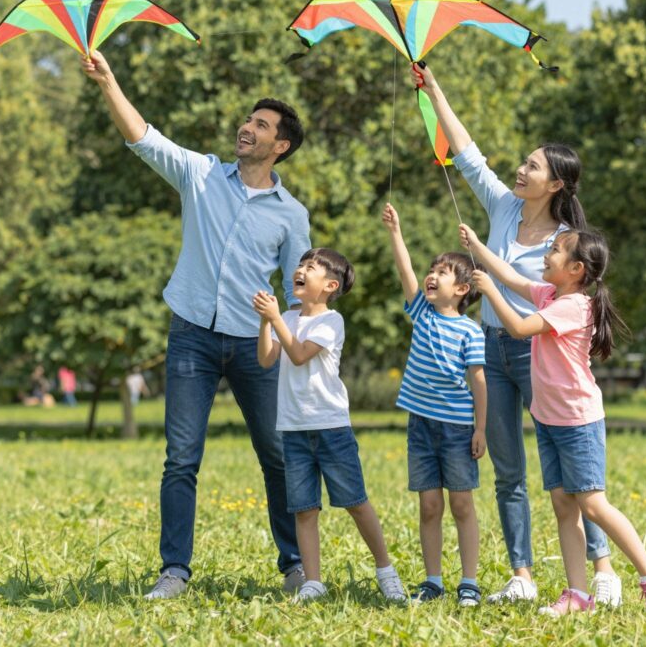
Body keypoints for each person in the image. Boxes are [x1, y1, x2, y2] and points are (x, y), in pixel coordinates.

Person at [81, 50, 311, 600]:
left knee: (277, 456)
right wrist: (109, 81)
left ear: (280, 145)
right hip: (191, 337)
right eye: (248, 120)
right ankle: (174, 572)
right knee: (181, 458)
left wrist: (294, 346)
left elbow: (300, 291)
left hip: (256, 347)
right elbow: (143, 137)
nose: (246, 128)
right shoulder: (201, 173)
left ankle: (297, 565)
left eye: (260, 125)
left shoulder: (291, 214)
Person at [414, 63, 621, 606]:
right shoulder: (503, 206)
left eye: (531, 166)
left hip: (537, 353)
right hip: (489, 349)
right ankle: (522, 575)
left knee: (571, 474)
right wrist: (434, 88)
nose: (519, 170)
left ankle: (601, 567)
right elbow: (466, 153)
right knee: (509, 470)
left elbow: (542, 297)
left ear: (555, 182)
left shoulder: (565, 241)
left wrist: (490, 269)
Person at [461, 224, 646, 615]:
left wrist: (489, 291)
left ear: (576, 269)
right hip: (549, 420)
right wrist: (477, 247)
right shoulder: (549, 293)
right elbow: (510, 276)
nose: (547, 253)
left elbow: (521, 327)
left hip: (578, 422)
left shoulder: (574, 306)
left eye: (556, 249)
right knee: (563, 503)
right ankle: (577, 594)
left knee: (592, 504)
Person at [253, 247, 406, 603]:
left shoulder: (330, 321)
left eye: (311, 267)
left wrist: (275, 319)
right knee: (304, 509)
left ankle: (386, 570)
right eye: (301, 264)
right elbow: (266, 359)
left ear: (330, 285)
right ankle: (314, 581)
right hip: (293, 428)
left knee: (355, 501)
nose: (301, 269)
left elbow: (300, 353)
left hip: (331, 427)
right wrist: (266, 321)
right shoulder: (286, 318)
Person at [381, 203, 488, 607]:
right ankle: (433, 580)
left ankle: (470, 582)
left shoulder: (469, 331)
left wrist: (481, 428)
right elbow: (406, 271)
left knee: (461, 503)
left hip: (458, 429)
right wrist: (396, 231)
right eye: (433, 268)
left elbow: (478, 381)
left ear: (461, 289)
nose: (432, 274)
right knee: (429, 505)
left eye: (443, 272)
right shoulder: (421, 313)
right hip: (421, 425)